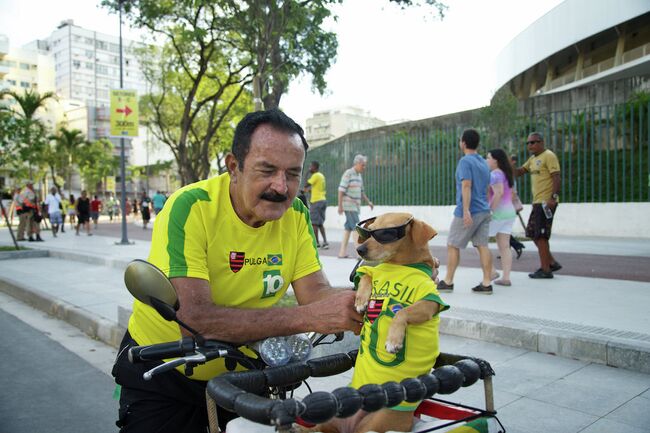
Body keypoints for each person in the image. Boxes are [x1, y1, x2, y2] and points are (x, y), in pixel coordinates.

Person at [111, 109, 364, 433]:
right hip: (166, 374)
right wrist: (310, 317)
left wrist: (375, 292)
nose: (281, 186)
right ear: (234, 166)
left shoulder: (297, 214)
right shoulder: (191, 207)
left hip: (245, 377)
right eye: (267, 170)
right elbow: (196, 322)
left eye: (292, 173)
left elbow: (314, 293)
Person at [437, 129, 493, 294]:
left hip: (469, 210)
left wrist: (466, 211)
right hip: (484, 209)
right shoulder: (483, 162)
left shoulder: (465, 162)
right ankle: (487, 283)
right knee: (482, 245)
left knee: (452, 245)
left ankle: (448, 281)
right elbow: (487, 187)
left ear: (463, 142)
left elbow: (466, 185)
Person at [515, 132, 562, 279]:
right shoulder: (533, 159)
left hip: (545, 202)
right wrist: (508, 165)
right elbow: (519, 172)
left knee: (541, 236)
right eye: (528, 143)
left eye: (534, 142)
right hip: (537, 203)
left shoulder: (549, 156)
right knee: (532, 233)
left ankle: (545, 269)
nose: (530, 145)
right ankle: (551, 262)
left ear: (541, 142)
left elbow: (556, 176)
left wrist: (553, 197)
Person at [487, 149, 517, 286]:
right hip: (510, 212)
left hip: (498, 214)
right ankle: (506, 277)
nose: (486, 161)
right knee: (505, 246)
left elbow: (498, 193)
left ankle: (492, 271)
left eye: (488, 158)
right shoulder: (507, 174)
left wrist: (490, 211)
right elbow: (511, 194)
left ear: (496, 160)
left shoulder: (495, 174)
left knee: (479, 241)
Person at [337, 154, 373, 258]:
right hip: (349, 205)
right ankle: (360, 253)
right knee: (356, 228)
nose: (364, 167)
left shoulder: (359, 176)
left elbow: (361, 192)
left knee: (348, 228)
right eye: (363, 165)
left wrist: (369, 202)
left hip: (355, 206)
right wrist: (340, 206)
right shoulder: (348, 173)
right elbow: (341, 190)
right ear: (357, 164)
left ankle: (342, 253)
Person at [303, 160, 329, 249]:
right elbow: (315, 189)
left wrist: (307, 173)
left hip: (316, 201)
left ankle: (317, 243)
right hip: (322, 200)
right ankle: (325, 242)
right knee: (320, 223)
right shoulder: (321, 176)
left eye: (311, 166)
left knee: (314, 223)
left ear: (315, 167)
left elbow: (306, 184)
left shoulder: (315, 176)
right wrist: (309, 191)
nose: (310, 168)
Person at [508, 155, 525, 259]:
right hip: (507, 205)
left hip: (508, 206)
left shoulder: (510, 174)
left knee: (502, 230)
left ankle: (516, 245)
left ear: (513, 162)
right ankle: (506, 250)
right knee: (503, 230)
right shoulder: (508, 173)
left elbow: (513, 192)